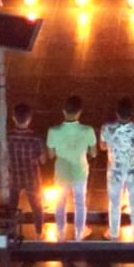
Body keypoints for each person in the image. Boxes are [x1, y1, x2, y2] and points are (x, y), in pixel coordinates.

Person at [45, 95, 97, 241]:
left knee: (60, 202)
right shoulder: (88, 130)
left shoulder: (53, 131)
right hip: (80, 170)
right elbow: (93, 153)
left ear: (63, 111)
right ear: (79, 112)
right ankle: (79, 234)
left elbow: (50, 154)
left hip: (61, 171)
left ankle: (60, 233)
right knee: (80, 203)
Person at [100, 96, 134, 240]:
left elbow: (102, 146)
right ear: (132, 114)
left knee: (114, 202)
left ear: (117, 113)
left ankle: (113, 233)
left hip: (115, 170)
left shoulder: (107, 128)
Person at [5, 103, 48, 238]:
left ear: (13, 118)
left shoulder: (8, 136)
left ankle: (10, 232)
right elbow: (43, 159)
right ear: (29, 119)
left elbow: (3, 156)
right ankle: (39, 233)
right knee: (37, 206)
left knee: (12, 205)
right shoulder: (35, 137)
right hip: (32, 177)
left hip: (14, 176)